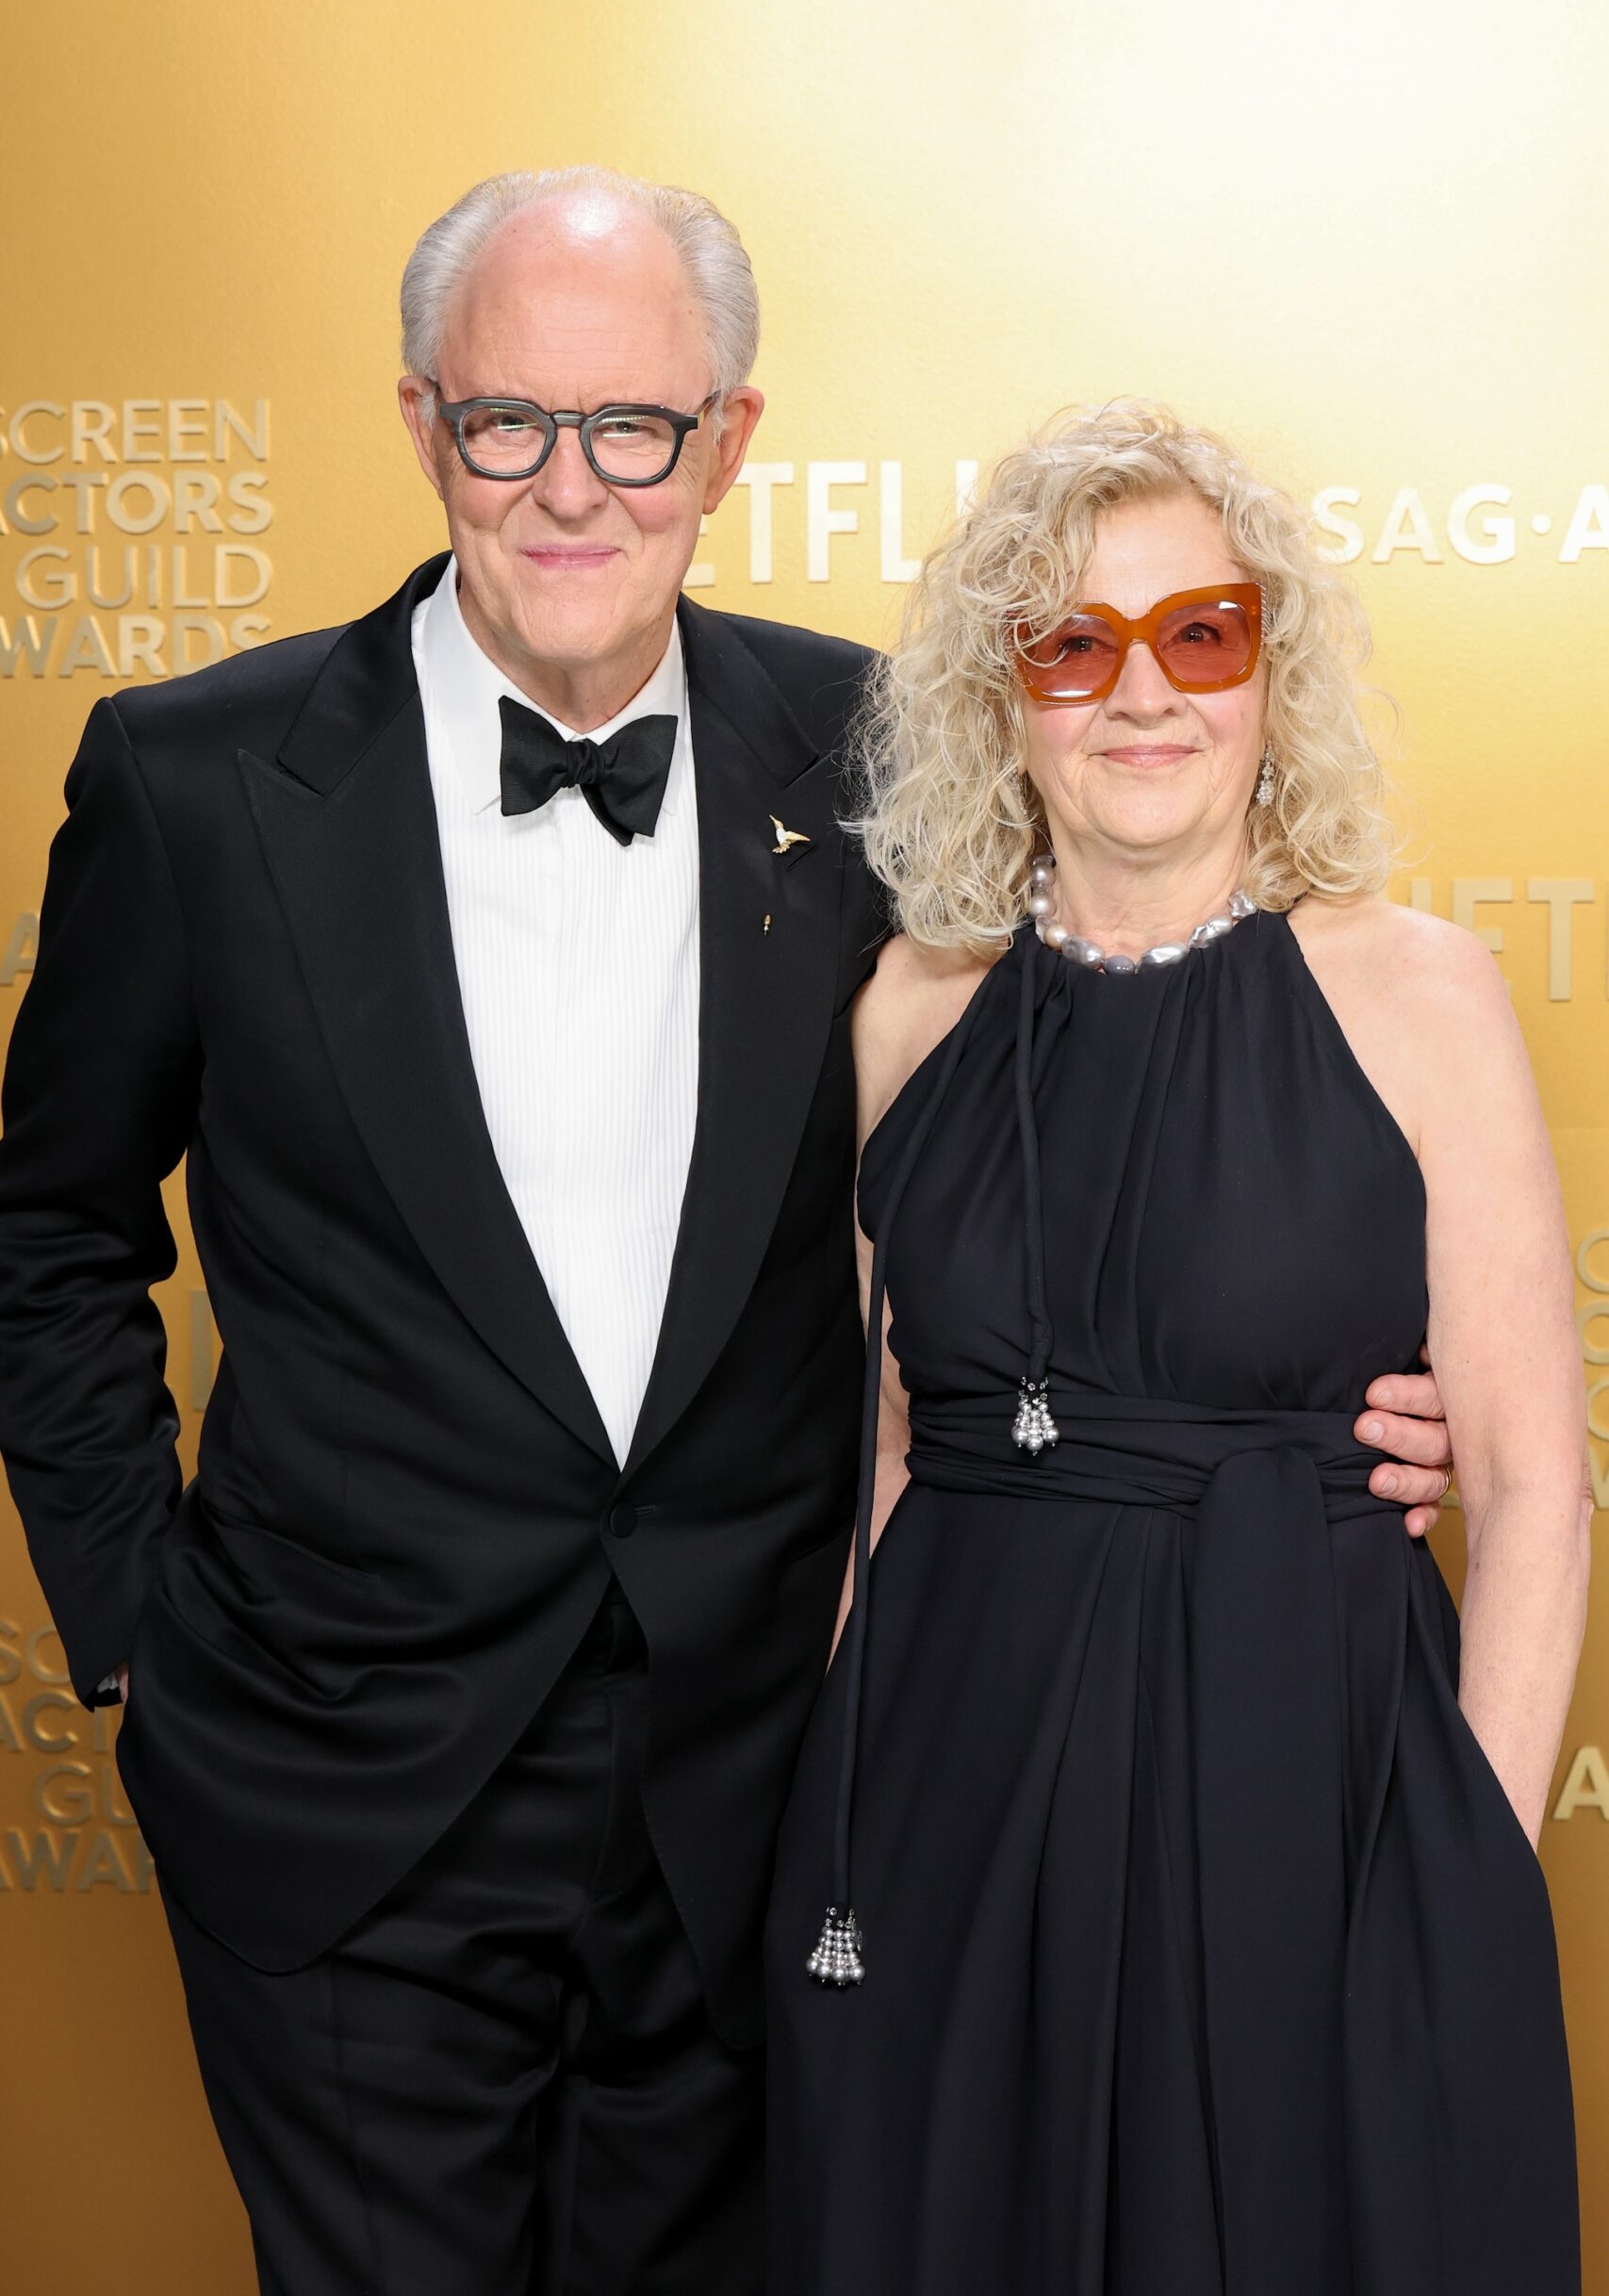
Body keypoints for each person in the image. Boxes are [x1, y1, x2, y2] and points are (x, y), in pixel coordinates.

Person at [0, 167, 1453, 2295]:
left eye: (633, 428)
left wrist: (1316, 1418)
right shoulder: (192, 780)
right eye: (509, 421)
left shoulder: (890, 749)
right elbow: (46, 1229)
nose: (570, 485)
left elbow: (1108, 1061)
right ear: (423, 425)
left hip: (773, 1790)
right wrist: (143, 1646)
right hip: (334, 1790)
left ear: (727, 441)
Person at [764, 401, 1586, 2296]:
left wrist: (1456, 1860)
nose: (1140, 692)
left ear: (1265, 673)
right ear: (1006, 694)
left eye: (1197, 632)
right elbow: (883, 1451)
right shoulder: (908, 1003)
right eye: (1073, 641)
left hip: (1298, 1781)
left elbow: (1536, 1480)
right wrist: (841, 1788)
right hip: (940, 1797)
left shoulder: (1413, 990)